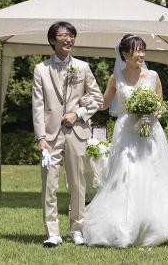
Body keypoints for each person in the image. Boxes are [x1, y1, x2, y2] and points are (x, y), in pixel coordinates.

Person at [82, 34, 168, 247]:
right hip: (126, 133)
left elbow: (160, 105)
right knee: (125, 173)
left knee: (154, 173)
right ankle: (122, 226)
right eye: (136, 50)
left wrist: (151, 115)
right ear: (125, 54)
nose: (141, 54)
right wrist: (89, 100)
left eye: (143, 50)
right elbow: (104, 104)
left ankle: (157, 224)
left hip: (150, 131)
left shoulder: (153, 75)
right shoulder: (116, 78)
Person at [32, 21, 104, 247]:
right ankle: (52, 232)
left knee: (77, 184)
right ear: (52, 40)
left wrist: (79, 113)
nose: (68, 39)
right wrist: (40, 137)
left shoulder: (83, 67)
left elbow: (98, 99)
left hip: (77, 133)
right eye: (63, 35)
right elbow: (37, 105)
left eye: (71, 36)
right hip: (50, 136)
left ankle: (77, 229)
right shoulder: (40, 69)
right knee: (49, 185)